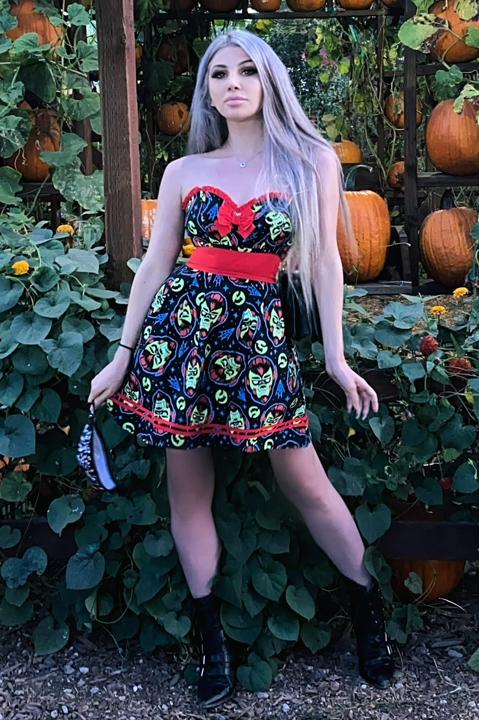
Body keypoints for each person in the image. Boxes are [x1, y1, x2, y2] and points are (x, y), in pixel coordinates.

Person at [87, 28, 394, 709]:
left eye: (247, 71)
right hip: (181, 342)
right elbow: (156, 267)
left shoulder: (310, 161)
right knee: (187, 492)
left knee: (305, 481)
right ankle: (212, 646)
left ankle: (369, 615)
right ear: (206, 91)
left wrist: (336, 358)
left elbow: (326, 263)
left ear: (269, 81)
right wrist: (122, 355)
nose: (233, 84)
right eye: (219, 74)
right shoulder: (184, 171)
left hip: (258, 344)